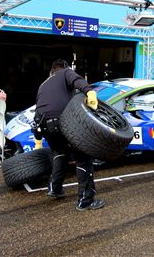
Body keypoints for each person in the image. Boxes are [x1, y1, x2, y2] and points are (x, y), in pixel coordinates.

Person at [33, 59, 105, 211]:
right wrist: (89, 92)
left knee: (59, 152)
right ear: (64, 68)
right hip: (62, 122)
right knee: (83, 158)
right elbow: (77, 80)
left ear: (51, 71)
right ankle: (85, 201)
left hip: (44, 126)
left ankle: (55, 188)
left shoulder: (43, 85)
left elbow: (39, 109)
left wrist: (38, 139)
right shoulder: (65, 72)